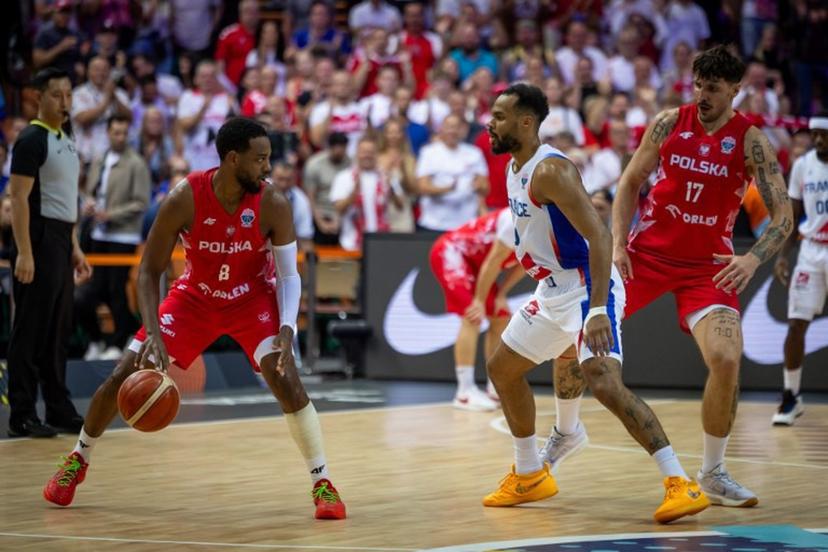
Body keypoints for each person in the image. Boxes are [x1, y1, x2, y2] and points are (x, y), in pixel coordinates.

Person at [43, 118, 347, 521]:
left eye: (268, 159)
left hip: (251, 298)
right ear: (233, 159)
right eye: (260, 159)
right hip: (194, 298)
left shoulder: (273, 202)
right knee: (122, 374)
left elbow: (289, 276)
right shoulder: (185, 197)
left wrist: (288, 329)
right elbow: (149, 271)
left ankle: (322, 482)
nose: (268, 168)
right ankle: (77, 459)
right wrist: (153, 332)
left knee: (286, 378)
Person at [544, 45, 792, 508]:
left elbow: (783, 216)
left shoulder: (751, 141)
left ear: (735, 90)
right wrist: (619, 243)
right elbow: (629, 182)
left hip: (708, 267)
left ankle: (713, 472)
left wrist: (753, 259)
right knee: (573, 334)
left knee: (726, 358)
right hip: (647, 257)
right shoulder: (668, 122)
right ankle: (565, 431)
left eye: (712, 88)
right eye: (697, 85)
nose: (702, 95)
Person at [484, 83, 708, 524]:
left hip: (586, 286)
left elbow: (599, 237)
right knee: (502, 369)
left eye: (499, 116)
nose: (490, 123)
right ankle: (530, 474)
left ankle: (680, 482)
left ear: (526, 123)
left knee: (603, 381)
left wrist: (599, 309)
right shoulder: (515, 165)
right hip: (551, 290)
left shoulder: (550, 170)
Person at [7, 67, 92, 438]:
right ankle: (22, 413)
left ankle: (58, 407)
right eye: (57, 95)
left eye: (69, 95)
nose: (64, 102)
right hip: (37, 237)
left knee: (57, 329)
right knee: (30, 329)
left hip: (60, 237)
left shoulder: (67, 138)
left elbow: (65, 199)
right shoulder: (31, 139)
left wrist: (74, 246)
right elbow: (18, 199)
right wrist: (25, 253)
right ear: (37, 97)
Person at [429, 208, 522, 411]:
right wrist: (479, 300)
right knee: (472, 316)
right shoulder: (515, 219)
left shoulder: (548, 225)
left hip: (476, 265)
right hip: (452, 251)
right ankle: (464, 392)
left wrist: (501, 294)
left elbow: (525, 265)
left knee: (500, 316)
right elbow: (493, 262)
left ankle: (495, 386)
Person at [76, 115, 152, 361]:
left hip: (124, 235)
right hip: (98, 233)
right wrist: (89, 203)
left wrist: (111, 214)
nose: (120, 137)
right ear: (108, 133)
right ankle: (103, 338)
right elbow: (91, 190)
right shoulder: (100, 159)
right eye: (116, 132)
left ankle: (119, 341)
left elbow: (141, 202)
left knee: (115, 289)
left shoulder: (136, 163)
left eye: (124, 133)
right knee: (94, 290)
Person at [771, 112, 828, 425]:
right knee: (796, 324)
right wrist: (783, 256)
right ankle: (791, 395)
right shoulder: (803, 166)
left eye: (824, 135)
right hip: (811, 250)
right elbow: (793, 217)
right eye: (814, 134)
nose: (818, 140)